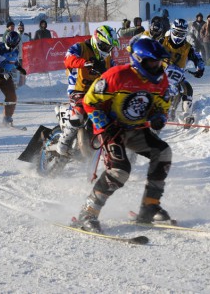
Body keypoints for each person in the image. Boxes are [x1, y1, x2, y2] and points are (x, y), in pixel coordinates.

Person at [74, 38, 173, 233]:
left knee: (163, 153)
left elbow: (162, 106)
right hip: (113, 130)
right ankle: (87, 213)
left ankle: (149, 207)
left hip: (136, 129)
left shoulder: (161, 81)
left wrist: (159, 117)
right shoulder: (116, 76)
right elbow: (89, 102)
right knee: (119, 171)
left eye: (159, 62)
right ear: (138, 60)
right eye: (152, 62)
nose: (157, 66)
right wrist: (104, 124)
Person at [56, 25, 119, 156]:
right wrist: (86, 63)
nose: (108, 49)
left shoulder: (107, 58)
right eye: (106, 46)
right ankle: (64, 142)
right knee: (79, 112)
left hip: (98, 92)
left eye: (110, 47)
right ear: (98, 41)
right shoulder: (81, 47)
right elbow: (68, 59)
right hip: (79, 89)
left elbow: (116, 72)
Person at [161, 18, 205, 125]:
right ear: (172, 30)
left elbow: (198, 58)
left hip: (177, 76)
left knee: (188, 88)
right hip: (160, 74)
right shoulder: (162, 41)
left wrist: (200, 68)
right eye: (176, 32)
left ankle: (186, 114)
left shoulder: (188, 48)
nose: (178, 36)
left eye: (181, 33)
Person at [17, 21, 30, 87]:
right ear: (18, 28)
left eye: (22, 27)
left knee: (23, 70)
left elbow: (29, 46)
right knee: (17, 70)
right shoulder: (15, 35)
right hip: (17, 57)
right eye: (19, 27)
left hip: (24, 57)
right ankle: (17, 83)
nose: (21, 29)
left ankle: (23, 84)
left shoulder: (26, 36)